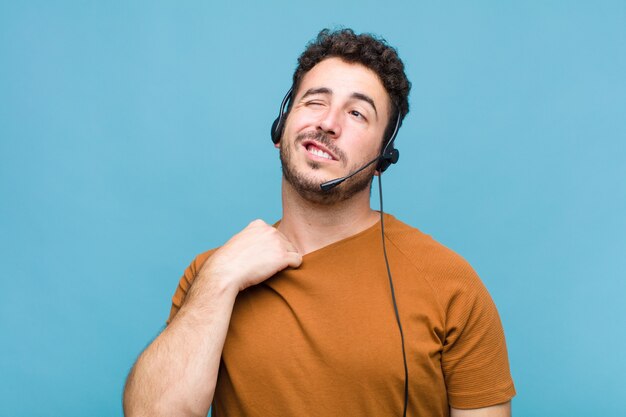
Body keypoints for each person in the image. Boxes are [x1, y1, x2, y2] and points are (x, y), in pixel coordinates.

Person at [123, 28, 516, 417]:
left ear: (382, 158)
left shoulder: (451, 285)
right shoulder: (211, 275)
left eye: (357, 113)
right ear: (281, 126)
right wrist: (220, 279)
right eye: (314, 102)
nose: (329, 123)